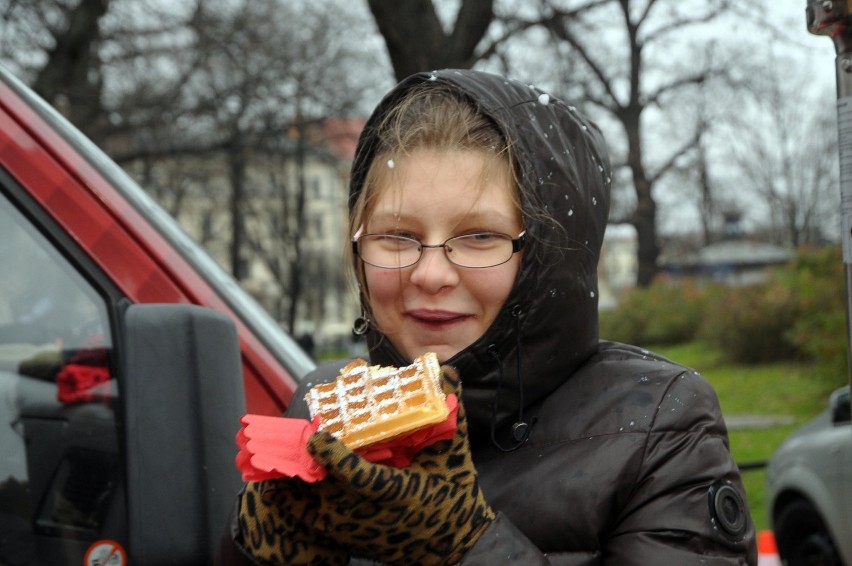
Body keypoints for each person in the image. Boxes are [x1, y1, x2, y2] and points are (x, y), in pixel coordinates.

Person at [218, 69, 757, 565]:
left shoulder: (658, 425)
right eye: (397, 236)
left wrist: (466, 547)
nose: (430, 274)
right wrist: (251, 552)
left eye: (480, 237)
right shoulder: (320, 403)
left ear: (551, 256)